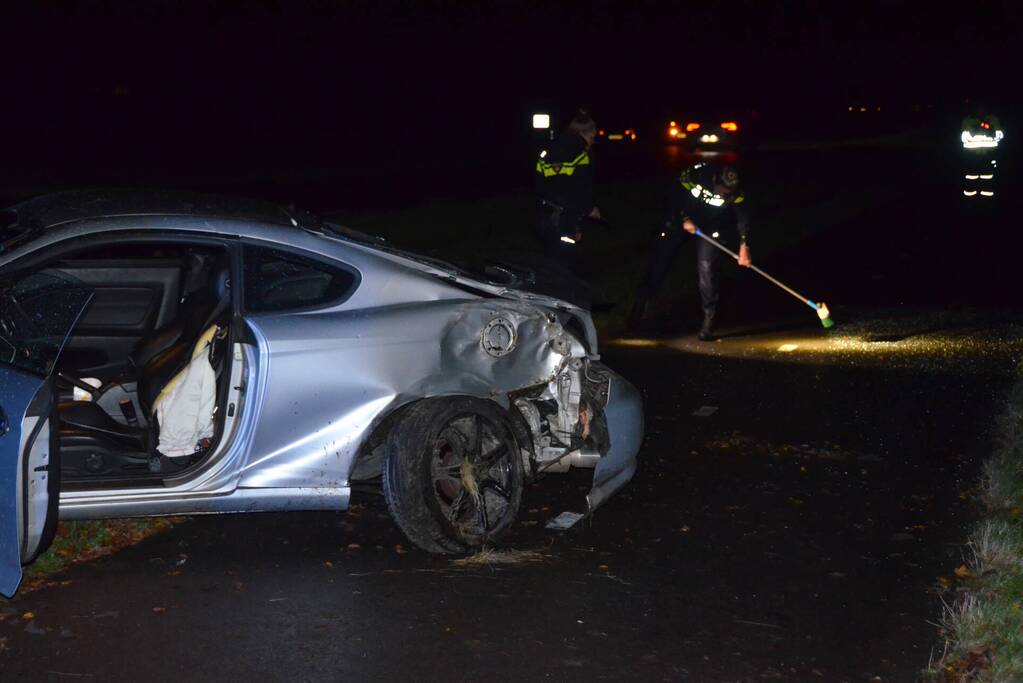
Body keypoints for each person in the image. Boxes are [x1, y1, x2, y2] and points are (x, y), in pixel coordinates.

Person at [629, 162, 751, 340]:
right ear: (715, 179)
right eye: (721, 190)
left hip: (710, 228)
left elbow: (742, 216)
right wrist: (683, 218)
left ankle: (708, 320)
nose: (723, 194)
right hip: (681, 219)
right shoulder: (696, 176)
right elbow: (673, 196)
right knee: (661, 260)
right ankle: (639, 307)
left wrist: (744, 244)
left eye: (727, 193)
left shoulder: (737, 192)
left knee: (707, 270)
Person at [534, 110, 601, 267]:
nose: (592, 142)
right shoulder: (583, 156)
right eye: (592, 137)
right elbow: (580, 187)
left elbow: (539, 184)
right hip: (566, 217)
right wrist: (589, 208)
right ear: (583, 134)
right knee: (564, 262)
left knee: (549, 257)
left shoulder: (547, 152)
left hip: (545, 216)